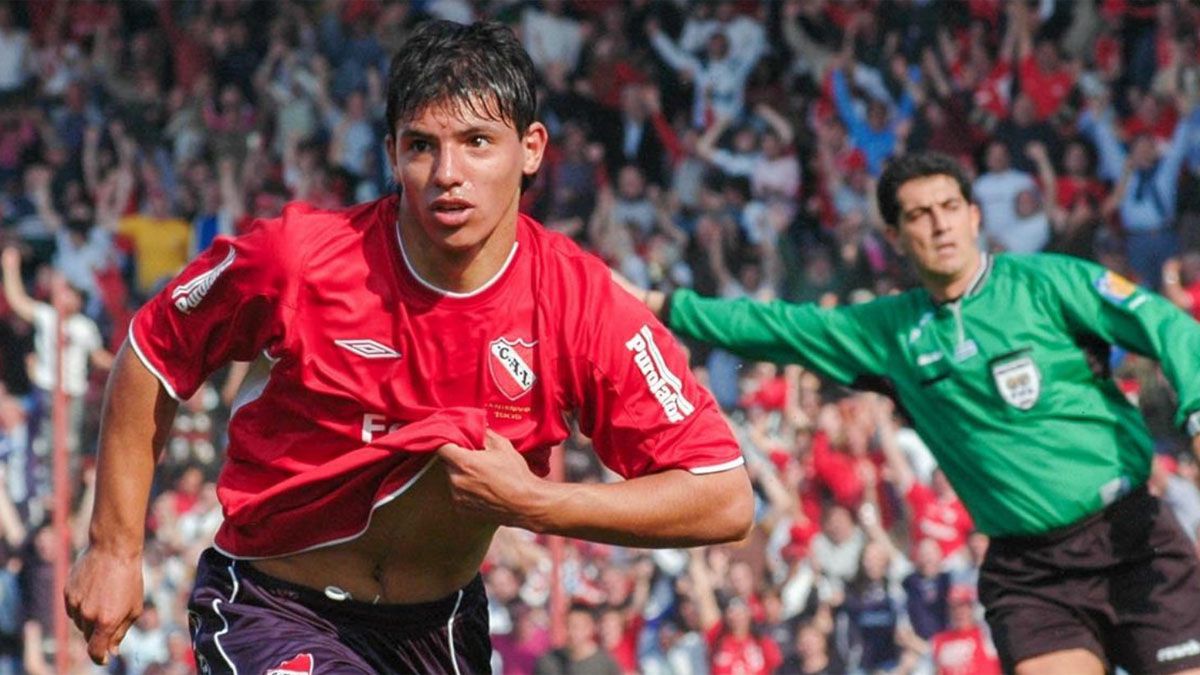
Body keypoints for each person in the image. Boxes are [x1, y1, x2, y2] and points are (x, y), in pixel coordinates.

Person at [65, 20, 753, 673]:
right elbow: (157, 346)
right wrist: (113, 547)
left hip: (438, 629)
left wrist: (535, 504)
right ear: (392, 152)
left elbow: (722, 496)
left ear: (532, 148)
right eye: (422, 144)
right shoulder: (297, 258)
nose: (448, 172)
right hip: (273, 608)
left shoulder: (583, 304)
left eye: (478, 141)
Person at [620, 151, 1200, 674]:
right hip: (1031, 573)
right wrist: (661, 304)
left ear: (975, 216)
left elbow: (1166, 323)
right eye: (919, 214)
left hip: (1131, 537)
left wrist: (1197, 410)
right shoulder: (891, 331)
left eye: (950, 206)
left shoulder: (1047, 283)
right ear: (896, 237)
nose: (940, 223)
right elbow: (781, 329)